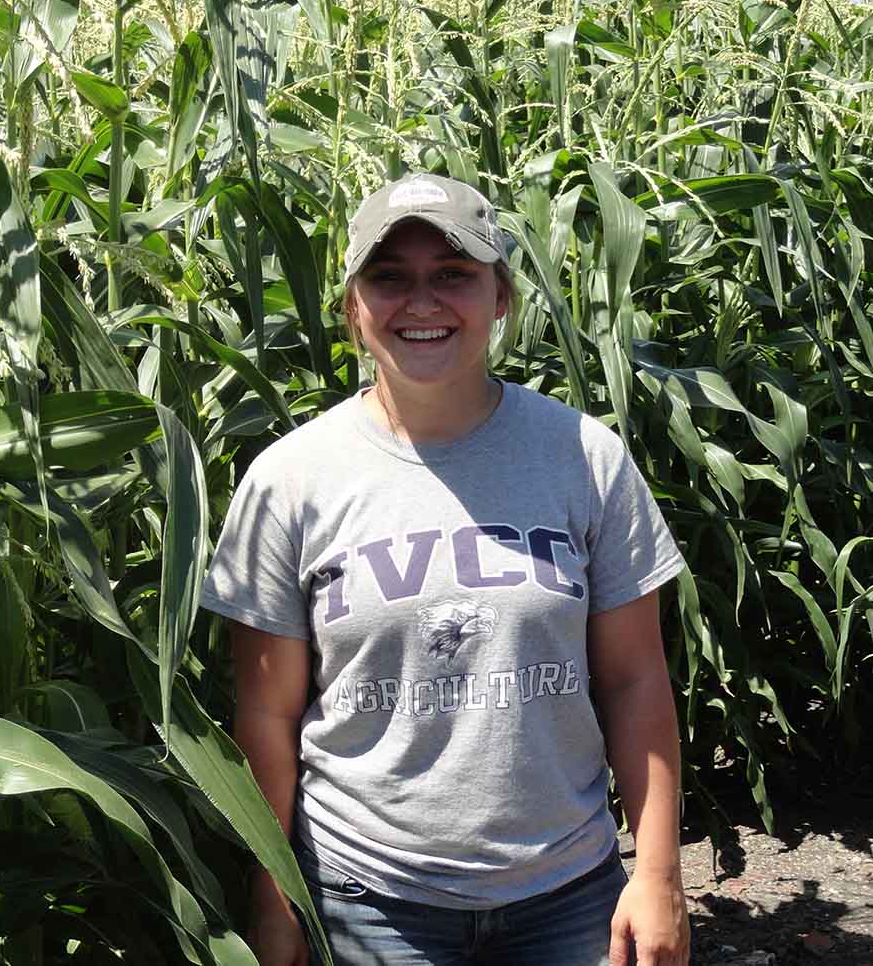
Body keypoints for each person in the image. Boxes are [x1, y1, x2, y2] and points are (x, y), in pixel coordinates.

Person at [201, 173, 691, 966]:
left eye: (453, 275)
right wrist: (275, 894)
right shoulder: (290, 481)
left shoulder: (584, 459)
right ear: (353, 305)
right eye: (390, 278)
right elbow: (266, 715)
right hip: (369, 902)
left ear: (501, 297)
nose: (421, 302)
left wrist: (660, 873)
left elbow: (637, 679)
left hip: (568, 894)